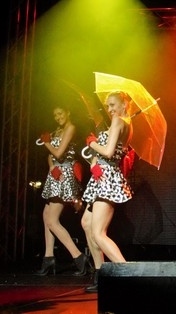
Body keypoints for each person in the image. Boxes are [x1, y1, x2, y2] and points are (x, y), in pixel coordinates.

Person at [80, 91, 135, 292]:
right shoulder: (123, 122)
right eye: (108, 105)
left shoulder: (119, 121)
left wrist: (92, 143)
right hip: (101, 175)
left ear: (124, 104)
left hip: (107, 178)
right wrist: (94, 161)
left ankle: (129, 275)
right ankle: (100, 274)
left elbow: (109, 152)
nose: (109, 109)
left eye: (112, 104)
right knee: (86, 223)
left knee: (98, 232)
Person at [34, 104, 89, 276]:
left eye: (60, 114)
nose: (58, 117)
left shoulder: (71, 128)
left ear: (68, 112)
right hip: (55, 174)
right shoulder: (57, 130)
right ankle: (49, 257)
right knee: (46, 216)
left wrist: (46, 142)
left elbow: (58, 153)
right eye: (55, 115)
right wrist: (51, 167)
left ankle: (79, 256)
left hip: (65, 175)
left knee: (52, 220)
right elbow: (51, 156)